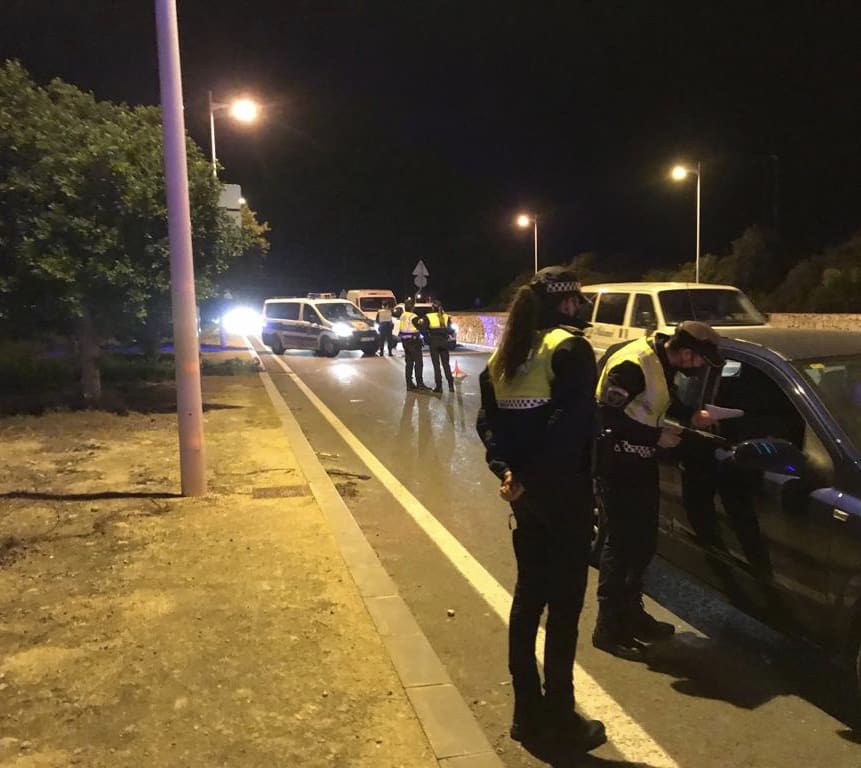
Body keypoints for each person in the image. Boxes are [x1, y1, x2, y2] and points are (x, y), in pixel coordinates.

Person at [476, 266, 606, 754]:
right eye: (575, 301)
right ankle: (561, 718)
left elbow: (487, 424)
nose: (578, 309)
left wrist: (509, 471)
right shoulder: (569, 349)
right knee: (565, 609)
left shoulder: (505, 355)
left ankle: (526, 713)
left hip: (526, 497)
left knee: (528, 599)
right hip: (564, 494)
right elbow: (570, 424)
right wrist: (527, 473)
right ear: (566, 302)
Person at [592, 320, 723, 658]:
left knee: (643, 543)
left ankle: (632, 614)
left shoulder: (663, 362)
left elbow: (661, 401)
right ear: (686, 352)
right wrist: (655, 436)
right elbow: (606, 415)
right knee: (621, 546)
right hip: (617, 465)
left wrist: (692, 415)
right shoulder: (633, 365)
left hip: (641, 463)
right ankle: (608, 627)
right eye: (700, 360)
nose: (699, 368)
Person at [417, 298, 454, 392]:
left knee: (436, 365)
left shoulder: (428, 316)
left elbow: (422, 330)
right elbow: (451, 330)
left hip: (434, 342)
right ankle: (451, 385)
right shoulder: (446, 316)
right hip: (444, 342)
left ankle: (439, 387)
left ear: (433, 307)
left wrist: (428, 340)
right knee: (446, 364)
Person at [398, 297, 428, 391]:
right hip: (414, 342)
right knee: (418, 363)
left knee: (409, 363)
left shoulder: (403, 315)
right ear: (412, 307)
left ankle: (409, 384)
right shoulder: (413, 316)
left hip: (405, 342)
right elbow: (420, 326)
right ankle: (420, 384)